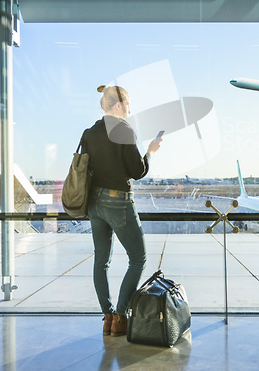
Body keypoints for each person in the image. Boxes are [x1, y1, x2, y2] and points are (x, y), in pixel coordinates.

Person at [80, 85, 161, 337]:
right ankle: (121, 317)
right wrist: (150, 152)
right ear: (118, 106)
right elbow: (137, 171)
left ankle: (107, 316)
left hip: (94, 203)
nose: (129, 109)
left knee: (101, 261)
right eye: (128, 105)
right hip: (118, 202)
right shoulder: (124, 130)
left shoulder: (89, 133)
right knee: (138, 259)